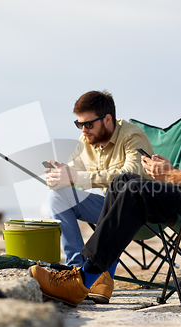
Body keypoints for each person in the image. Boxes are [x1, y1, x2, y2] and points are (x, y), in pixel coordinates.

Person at [31, 50, 181, 307]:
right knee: (124, 181)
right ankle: (94, 273)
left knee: (135, 191)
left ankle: (82, 279)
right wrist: (168, 171)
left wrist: (174, 176)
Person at [43, 90, 154, 304]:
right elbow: (73, 173)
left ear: (107, 119)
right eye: (79, 124)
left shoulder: (132, 136)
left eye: (88, 124)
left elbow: (130, 176)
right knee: (57, 196)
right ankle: (75, 269)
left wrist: (76, 176)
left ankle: (99, 276)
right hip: (109, 209)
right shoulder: (87, 139)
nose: (83, 130)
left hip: (141, 213)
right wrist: (59, 176)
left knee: (121, 194)